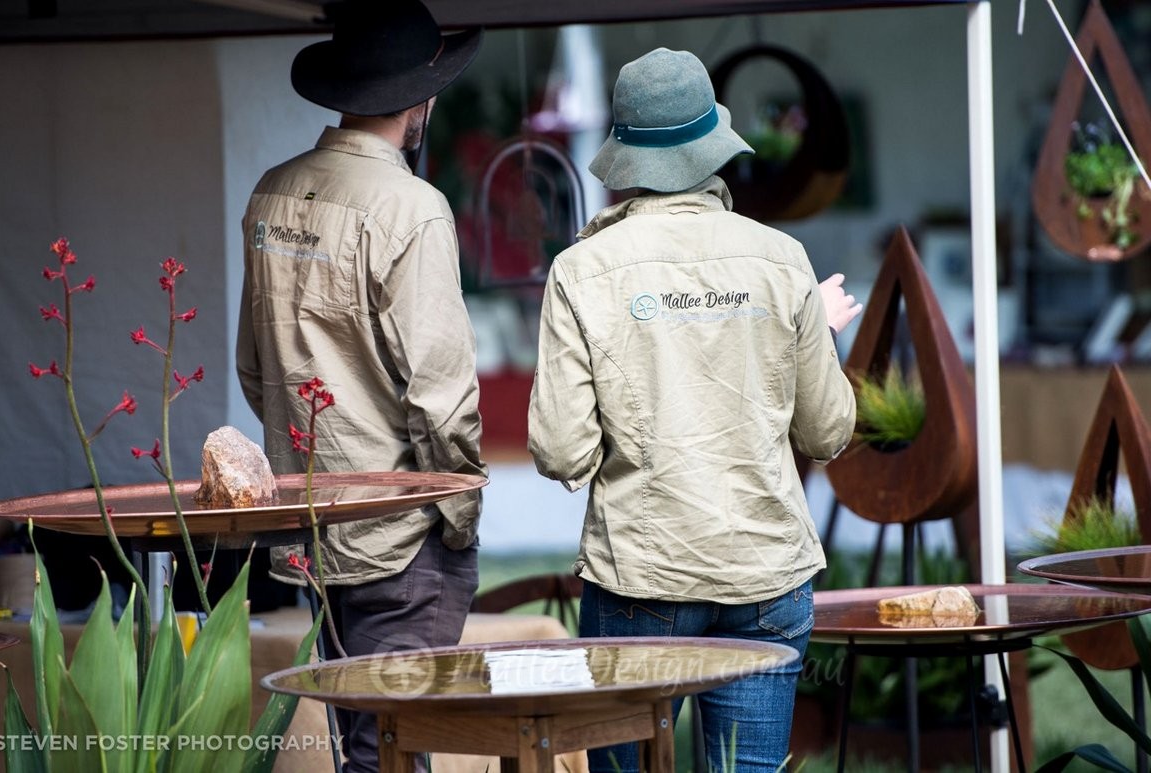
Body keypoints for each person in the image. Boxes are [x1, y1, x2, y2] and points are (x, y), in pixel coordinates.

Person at [527, 47, 859, 773]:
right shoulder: (782, 259)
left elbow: (561, 450)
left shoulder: (582, 270)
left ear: (627, 157)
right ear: (713, 143)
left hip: (641, 576)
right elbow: (828, 431)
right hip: (767, 571)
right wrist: (815, 336)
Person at [235, 2, 486, 770]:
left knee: (361, 748)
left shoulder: (272, 192)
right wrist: (458, 515)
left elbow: (255, 370)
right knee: (393, 750)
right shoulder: (411, 208)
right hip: (400, 532)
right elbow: (442, 396)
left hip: (310, 525)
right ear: (422, 98)